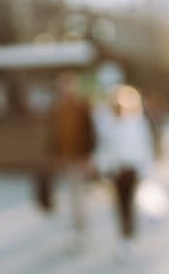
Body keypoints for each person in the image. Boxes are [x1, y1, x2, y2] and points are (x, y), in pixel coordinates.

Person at [93, 85, 154, 262]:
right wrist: (104, 169)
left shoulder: (137, 123)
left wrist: (146, 170)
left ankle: (129, 237)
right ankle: (124, 237)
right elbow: (105, 149)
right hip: (116, 172)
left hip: (132, 171)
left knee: (129, 205)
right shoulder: (109, 124)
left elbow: (145, 148)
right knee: (120, 206)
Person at [46, 72, 96, 250]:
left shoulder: (82, 107)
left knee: (77, 194)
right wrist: (53, 155)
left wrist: (87, 157)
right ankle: (75, 225)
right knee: (67, 194)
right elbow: (53, 134)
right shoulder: (57, 107)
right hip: (64, 158)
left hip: (78, 158)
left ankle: (79, 228)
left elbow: (90, 133)